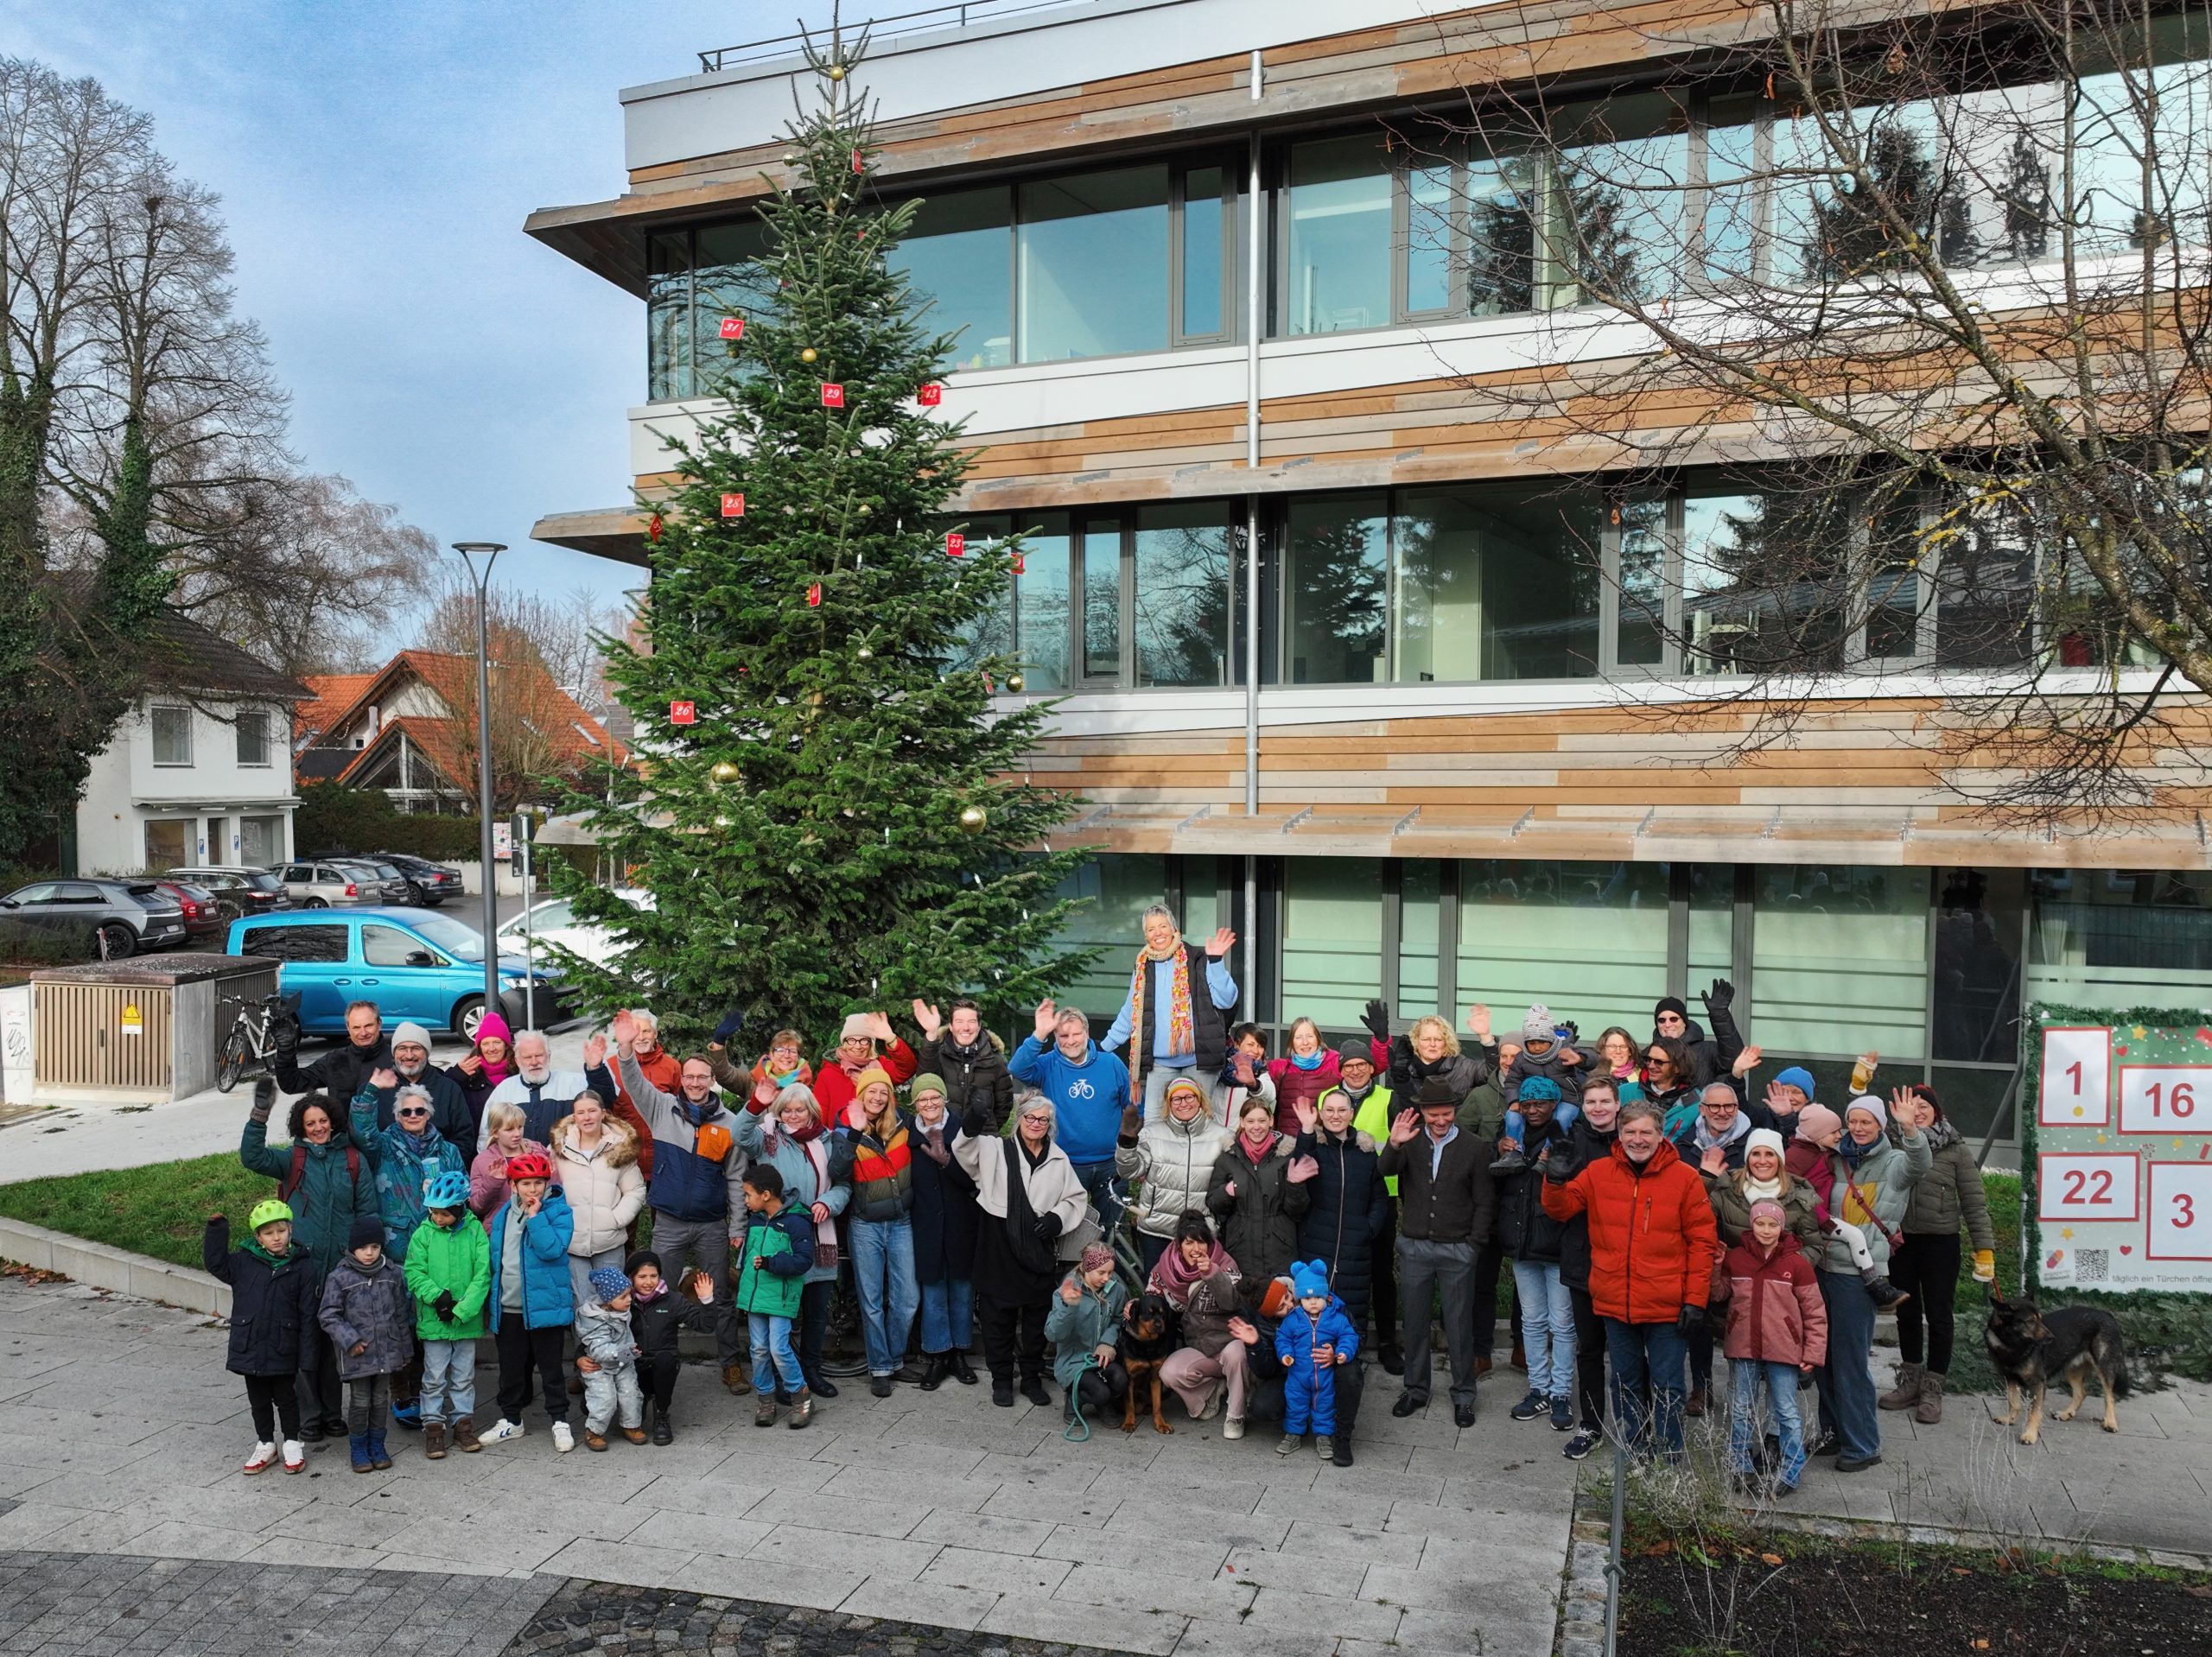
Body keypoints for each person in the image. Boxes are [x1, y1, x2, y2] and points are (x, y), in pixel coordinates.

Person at [1541, 1099, 1719, 1461]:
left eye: (1645, 1132)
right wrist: (1555, 1180)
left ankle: (1669, 1455)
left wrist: (1696, 1300)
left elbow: (1703, 1243)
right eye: (1630, 1132)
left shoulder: (1685, 1177)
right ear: (1619, 1135)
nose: (1638, 1139)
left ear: (1660, 1134)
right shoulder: (1598, 1171)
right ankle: (1636, 1448)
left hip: (1668, 1303)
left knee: (1668, 1385)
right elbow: (1560, 1209)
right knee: (1625, 1381)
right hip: (1614, 1300)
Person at [613, 1009, 751, 1393]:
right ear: (682, 1080)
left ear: (712, 1082)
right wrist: (625, 1047)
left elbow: (738, 1180)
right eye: (689, 1076)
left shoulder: (729, 1124)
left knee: (720, 1296)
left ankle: (730, 1364)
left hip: (711, 1225)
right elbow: (633, 1081)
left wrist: (737, 1226)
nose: (694, 1082)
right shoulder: (661, 1108)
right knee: (656, 1293)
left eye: (702, 1077)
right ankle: (649, 1358)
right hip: (669, 1221)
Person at [238, 1078, 369, 1443]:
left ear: (333, 1121)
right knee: (303, 1342)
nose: (318, 1128)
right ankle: (309, 1416)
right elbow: (251, 1157)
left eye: (323, 1121)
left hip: (342, 1268)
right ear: (301, 1127)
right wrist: (259, 1115)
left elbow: (367, 1211)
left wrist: (364, 1255)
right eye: (310, 1123)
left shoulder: (352, 1160)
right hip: (303, 1269)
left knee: (332, 1344)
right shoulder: (292, 1159)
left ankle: (332, 1413)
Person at [1809, 1095, 1930, 1472]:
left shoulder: (1894, 1163)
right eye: (1854, 1122)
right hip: (1823, 1268)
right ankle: (1832, 1433)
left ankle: (1862, 1445)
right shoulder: (1836, 1158)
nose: (1859, 1129)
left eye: (1868, 1122)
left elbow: (1920, 1163)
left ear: (1880, 1125)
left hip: (1857, 1276)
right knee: (1823, 1361)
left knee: (1849, 1362)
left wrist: (1910, 1127)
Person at [954, 1089, 1091, 1408]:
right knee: (997, 1319)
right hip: (997, 1243)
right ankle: (1001, 1380)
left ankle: (1030, 1378)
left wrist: (1057, 1220)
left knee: (1035, 1321)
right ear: (1020, 1119)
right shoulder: (994, 1149)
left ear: (1050, 1125)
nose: (1036, 1124)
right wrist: (973, 1120)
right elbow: (962, 1149)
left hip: (1037, 1245)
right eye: (1030, 1117)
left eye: (1043, 1120)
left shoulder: (1059, 1159)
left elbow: (1076, 1198)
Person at [1379, 1079, 1497, 1427]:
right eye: (1434, 1114)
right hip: (1415, 1246)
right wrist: (1394, 1144)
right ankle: (1415, 1389)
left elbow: (1484, 1200)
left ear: (1455, 1111)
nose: (1441, 1120)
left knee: (1460, 1327)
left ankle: (1464, 1395)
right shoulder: (1410, 1142)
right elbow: (1384, 1172)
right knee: (1414, 1323)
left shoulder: (1474, 1147)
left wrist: (1473, 1245)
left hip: (1458, 1249)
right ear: (1423, 1113)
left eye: (1447, 1113)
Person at [349, 1076, 465, 1427]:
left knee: (428, 1321)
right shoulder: (383, 1145)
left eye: (419, 1110)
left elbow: (461, 1195)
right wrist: (370, 1090)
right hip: (397, 1247)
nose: (413, 1115)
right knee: (398, 1321)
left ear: (429, 1113)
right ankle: (401, 1392)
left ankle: (427, 1391)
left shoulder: (447, 1151)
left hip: (438, 1249)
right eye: (405, 1111)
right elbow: (361, 1128)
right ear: (397, 1115)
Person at [1880, 1084, 1996, 1426]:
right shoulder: (1892, 1144)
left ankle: (1933, 1387)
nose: (1917, 1113)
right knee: (1907, 1312)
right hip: (1901, 1242)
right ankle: (1910, 1381)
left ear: (1936, 1111)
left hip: (1941, 1243)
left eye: (1924, 1108)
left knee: (1940, 1316)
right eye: (1911, 1108)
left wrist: (1984, 1249)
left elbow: (1974, 1203)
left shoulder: (1956, 1150)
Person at [1710, 1198, 1827, 1497]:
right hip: (1743, 1347)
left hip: (1783, 1349)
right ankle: (1740, 1466)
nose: (1766, 1230)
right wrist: (1715, 1267)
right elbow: (1719, 1294)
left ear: (1782, 1227)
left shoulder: (1797, 1264)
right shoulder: (1736, 1259)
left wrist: (1812, 1352)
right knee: (1741, 1410)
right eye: (1760, 1223)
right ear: (1752, 1225)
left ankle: (1791, 1469)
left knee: (1786, 1410)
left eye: (1772, 1224)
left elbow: (1815, 1312)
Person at [204, 1199, 317, 1476]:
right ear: (257, 1237)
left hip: (283, 1345)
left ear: (290, 1230)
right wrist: (217, 1230)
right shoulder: (243, 1262)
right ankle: (266, 1443)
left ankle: (292, 1441)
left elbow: (308, 1315)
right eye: (268, 1233)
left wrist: (307, 1356)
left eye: (281, 1231)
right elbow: (215, 1263)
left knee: (287, 1398)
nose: (276, 1238)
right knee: (258, 1400)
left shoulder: (303, 1266)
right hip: (251, 1344)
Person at [1491, 1076, 1577, 1432]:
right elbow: (1500, 1183)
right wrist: (1499, 1149)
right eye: (1527, 1104)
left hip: (1557, 1244)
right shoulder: (1512, 1136)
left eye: (1540, 1104)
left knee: (1562, 1323)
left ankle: (1561, 1393)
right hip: (1523, 1242)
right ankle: (1539, 1388)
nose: (1533, 1110)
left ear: (1554, 1104)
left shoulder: (1566, 1136)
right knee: (1532, 1321)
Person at [1100, 905, 1239, 1121]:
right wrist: (1103, 1048)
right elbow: (1131, 1012)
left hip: (1199, 1060)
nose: (1158, 933)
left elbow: (1226, 1000)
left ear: (1174, 928)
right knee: (1154, 1123)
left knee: (1197, 1124)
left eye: (1163, 926)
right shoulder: (1142, 967)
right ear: (1145, 935)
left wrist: (1216, 961)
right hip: (1160, 1063)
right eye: (1151, 929)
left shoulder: (1198, 958)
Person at [478, 1151, 577, 1452]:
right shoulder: (503, 1216)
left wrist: (535, 1217)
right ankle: (511, 1420)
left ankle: (560, 1421)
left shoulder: (559, 1212)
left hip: (543, 1307)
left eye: (538, 1183)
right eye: (525, 1183)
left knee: (550, 1369)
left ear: (547, 1184)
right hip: (508, 1307)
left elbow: (551, 1249)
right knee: (510, 1368)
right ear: (512, 1184)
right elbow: (497, 1259)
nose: (533, 1190)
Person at [1008, 1000, 1132, 1240]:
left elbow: (1134, 1107)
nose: (1071, 1040)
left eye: (1077, 1034)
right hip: (1066, 1164)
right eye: (1063, 1035)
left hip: (1110, 1163)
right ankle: (1068, 1277)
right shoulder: (1047, 1064)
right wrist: (1038, 1034)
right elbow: (1017, 1067)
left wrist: (1132, 1150)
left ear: (1087, 1033)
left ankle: (1112, 1276)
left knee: (1112, 1232)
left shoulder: (1111, 1063)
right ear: (1055, 1037)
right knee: (1067, 1233)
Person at [1287, 1088, 1386, 1378]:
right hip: (1316, 1244)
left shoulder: (1366, 1153)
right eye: (1329, 1110)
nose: (1335, 1116)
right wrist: (1306, 1130)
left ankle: (1349, 1368)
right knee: (1312, 1310)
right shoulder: (1315, 1146)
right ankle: (1310, 1371)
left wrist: (1369, 1228)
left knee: (1351, 1310)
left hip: (1356, 1247)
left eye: (1342, 1110)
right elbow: (1299, 1166)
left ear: (1352, 1114)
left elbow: (1379, 1198)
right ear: (1321, 1114)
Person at [1552, 1075, 1622, 1461]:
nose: (1597, 1108)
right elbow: (1558, 1203)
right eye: (1591, 1101)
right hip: (1583, 1260)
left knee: (1628, 1352)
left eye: (1604, 1101)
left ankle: (1635, 1423)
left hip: (1626, 1264)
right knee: (1590, 1349)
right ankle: (1592, 1424)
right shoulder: (1572, 1141)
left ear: (1616, 1104)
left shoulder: (1632, 1142)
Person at [844, 1065, 925, 1395]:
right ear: (861, 1096)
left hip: (901, 1221)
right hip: (865, 1225)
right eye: (871, 1091)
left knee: (907, 1299)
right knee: (872, 1301)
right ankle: (880, 1367)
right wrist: (853, 1132)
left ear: (890, 1096)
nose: (877, 1097)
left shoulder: (904, 1125)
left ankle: (893, 1360)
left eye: (883, 1091)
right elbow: (836, 1167)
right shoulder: (847, 1129)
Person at [1785, 1104, 1909, 1308]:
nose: (1839, 1135)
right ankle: (1875, 1284)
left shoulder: (1821, 1151)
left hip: (1819, 1216)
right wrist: (1820, 1217)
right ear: (1817, 1135)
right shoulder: (1799, 1156)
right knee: (1855, 1236)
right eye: (1833, 1132)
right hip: (1817, 1216)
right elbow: (1792, 1190)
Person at [318, 1215, 414, 1473]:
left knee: (380, 1400)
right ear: (352, 1248)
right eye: (363, 1248)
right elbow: (328, 1314)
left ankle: (377, 1444)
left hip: (387, 1351)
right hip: (358, 1354)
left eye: (375, 1247)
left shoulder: (391, 1274)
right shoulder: (339, 1277)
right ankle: (358, 1447)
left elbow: (400, 1315)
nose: (369, 1253)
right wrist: (351, 1341)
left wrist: (405, 1350)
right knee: (361, 1400)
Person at [404, 1170, 488, 1459]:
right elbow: (414, 1271)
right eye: (434, 1213)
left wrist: (462, 1309)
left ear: (459, 1209)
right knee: (435, 1376)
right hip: (434, 1320)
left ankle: (463, 1424)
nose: (438, 1219)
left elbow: (482, 1274)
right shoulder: (423, 1234)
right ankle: (433, 1427)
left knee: (464, 1376)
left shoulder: (474, 1231)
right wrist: (437, 1297)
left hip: (465, 1320)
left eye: (444, 1214)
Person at [1118, 1075, 1230, 1281]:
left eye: (1189, 1097)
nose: (1183, 1103)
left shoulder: (1222, 1136)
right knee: (1158, 1294)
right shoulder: (1151, 1134)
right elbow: (1129, 1172)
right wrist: (1127, 1144)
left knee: (1197, 1295)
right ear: (1169, 1104)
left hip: (1201, 1232)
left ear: (1200, 1100)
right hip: (1157, 1229)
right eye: (1176, 1099)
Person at [1148, 1210, 1249, 1438]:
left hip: (1227, 1343)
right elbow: (1151, 1297)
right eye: (1189, 1242)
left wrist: (1212, 1273)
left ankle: (1236, 1414)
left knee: (1236, 1353)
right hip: (1199, 1347)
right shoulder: (1166, 1268)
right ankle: (1211, 1391)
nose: (1196, 1249)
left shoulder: (1225, 1263)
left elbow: (1232, 1302)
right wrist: (1134, 1305)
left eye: (1202, 1242)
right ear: (1179, 1245)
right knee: (1169, 1372)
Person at [909, 1074, 980, 1388]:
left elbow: (974, 1179)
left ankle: (960, 1354)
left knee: (962, 1291)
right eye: (923, 1100)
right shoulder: (909, 1135)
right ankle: (937, 1354)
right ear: (915, 1105)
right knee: (933, 1291)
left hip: (960, 1222)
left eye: (934, 1098)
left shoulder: (961, 1129)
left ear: (943, 1099)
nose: (929, 1104)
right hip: (925, 1224)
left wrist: (947, 1160)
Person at [733, 1166, 817, 1428]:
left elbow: (804, 1261)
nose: (745, 1200)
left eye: (748, 1195)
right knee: (758, 1349)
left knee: (778, 1348)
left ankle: (800, 1394)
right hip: (755, 1298)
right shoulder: (756, 1220)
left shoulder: (796, 1222)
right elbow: (747, 1257)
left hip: (780, 1299)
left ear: (766, 1195)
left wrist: (771, 1263)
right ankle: (766, 1398)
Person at [549, 1092, 645, 1318]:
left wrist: (616, 1219)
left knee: (613, 1302)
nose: (587, 1117)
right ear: (574, 1117)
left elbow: (636, 1189)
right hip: (572, 1242)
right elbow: (548, 1189)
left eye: (592, 1111)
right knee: (582, 1304)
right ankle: (585, 1353)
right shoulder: (558, 1148)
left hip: (609, 1241)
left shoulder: (620, 1147)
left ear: (603, 1113)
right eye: (580, 1112)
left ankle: (613, 1353)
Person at [625, 1249, 735, 1442]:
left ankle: (661, 1414)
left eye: (653, 1276)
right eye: (642, 1277)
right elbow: (601, 1330)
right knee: (591, 1405)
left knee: (666, 1360)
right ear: (631, 1278)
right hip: (632, 1363)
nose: (648, 1282)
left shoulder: (673, 1300)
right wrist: (581, 1357)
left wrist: (707, 1300)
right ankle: (638, 1402)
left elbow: (705, 1326)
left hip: (662, 1362)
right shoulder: (623, 1301)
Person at [1339, 1038, 1402, 1374]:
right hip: (1343, 1193)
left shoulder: (1388, 1097)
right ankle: (1348, 1337)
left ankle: (1389, 1343)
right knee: (1347, 1270)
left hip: (1382, 1194)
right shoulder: (1327, 1098)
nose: (1356, 1070)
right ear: (1341, 1070)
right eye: (1349, 1066)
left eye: (1362, 1064)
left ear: (1371, 1068)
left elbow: (1398, 1142)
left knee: (1381, 1272)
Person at [1207, 1095, 1316, 1286]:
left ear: (1271, 1121)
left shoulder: (1285, 1156)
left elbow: (1297, 1210)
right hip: (1240, 1246)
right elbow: (1214, 1204)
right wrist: (1227, 1191)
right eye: (1250, 1121)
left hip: (1279, 1246)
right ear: (1242, 1122)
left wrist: (1295, 1184)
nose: (1256, 1127)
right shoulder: (1228, 1158)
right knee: (1245, 1304)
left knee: (1279, 1303)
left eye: (1262, 1120)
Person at [1275, 1257, 1358, 1462]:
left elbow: (1350, 1335)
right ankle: (1293, 1434)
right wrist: (1285, 1354)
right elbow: (1283, 1338)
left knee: (1325, 1405)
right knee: (1295, 1404)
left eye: (1318, 1298)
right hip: (1298, 1374)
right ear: (1299, 1299)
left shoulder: (1335, 1317)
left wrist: (1343, 1352)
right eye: (1306, 1299)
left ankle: (1323, 1436)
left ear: (1326, 1296)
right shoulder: (1293, 1319)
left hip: (1324, 1375)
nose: (1313, 1303)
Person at [479, 1029, 617, 1148]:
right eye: (527, 1057)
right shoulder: (504, 1091)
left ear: (549, 1056)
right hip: (519, 1174)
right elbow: (487, 1135)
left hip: (566, 1168)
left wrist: (595, 1069)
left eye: (539, 1055)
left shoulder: (572, 1082)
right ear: (517, 1060)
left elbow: (605, 1101)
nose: (534, 1062)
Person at [1045, 1241, 1128, 1426]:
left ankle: (1102, 1402)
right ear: (1087, 1268)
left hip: (1100, 1357)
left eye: (1110, 1272)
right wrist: (1068, 1308)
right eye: (1101, 1273)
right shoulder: (1067, 1290)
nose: (1107, 1278)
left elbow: (1117, 1320)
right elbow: (1053, 1334)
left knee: (1121, 1380)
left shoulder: (1116, 1290)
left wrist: (1107, 1343)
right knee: (1101, 1392)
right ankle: (1076, 1400)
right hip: (1073, 1360)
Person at [1496, 1005, 1585, 1171]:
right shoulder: (1521, 1059)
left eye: (1542, 1042)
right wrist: (1514, 1101)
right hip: (1531, 1102)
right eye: (1532, 1043)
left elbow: (1593, 1060)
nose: (1536, 1047)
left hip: (1566, 1099)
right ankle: (1514, 1153)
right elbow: (1512, 1082)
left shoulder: (1564, 1052)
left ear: (1551, 1040)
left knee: (1562, 1119)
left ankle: (1548, 1155)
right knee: (1511, 1116)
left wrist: (1580, 1058)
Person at [1364, 1001, 1497, 1106]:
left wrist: (1485, 1036)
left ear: (1447, 1042)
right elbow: (1393, 1106)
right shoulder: (1403, 1069)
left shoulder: (1464, 1067)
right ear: (1416, 1041)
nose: (1432, 1044)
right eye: (1426, 1039)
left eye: (1438, 1039)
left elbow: (1493, 1073)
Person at [913, 998, 1014, 1133]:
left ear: (979, 1025)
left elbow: (1004, 1106)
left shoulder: (995, 1060)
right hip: (945, 1139)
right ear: (951, 1026)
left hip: (982, 1142)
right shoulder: (939, 1055)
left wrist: (984, 1129)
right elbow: (925, 1081)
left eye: (971, 1022)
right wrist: (931, 1034)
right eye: (959, 1022)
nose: (966, 1027)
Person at [575, 1265, 645, 1451]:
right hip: (600, 1366)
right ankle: (594, 1431)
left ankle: (631, 1425)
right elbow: (599, 1351)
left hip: (623, 1362)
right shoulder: (594, 1320)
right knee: (604, 1398)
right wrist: (626, 1352)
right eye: (623, 1297)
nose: (629, 1299)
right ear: (607, 1300)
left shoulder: (621, 1310)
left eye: (629, 1294)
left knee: (631, 1393)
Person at [369, 1020, 472, 1146]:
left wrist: (445, 1163)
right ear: (394, 1053)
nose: (409, 1055)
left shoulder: (448, 1089)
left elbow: (464, 1138)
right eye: (402, 1048)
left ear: (427, 1053)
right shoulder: (377, 1089)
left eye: (416, 1048)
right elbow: (366, 1138)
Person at [274, 998, 391, 1103]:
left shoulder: (396, 1058)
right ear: (348, 1028)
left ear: (379, 1024)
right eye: (356, 1027)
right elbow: (292, 1084)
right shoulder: (334, 1060)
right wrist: (286, 1050)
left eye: (368, 1025)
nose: (363, 1033)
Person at [811, 1011, 918, 1121]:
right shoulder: (828, 1074)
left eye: (863, 1041)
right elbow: (820, 1114)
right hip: (845, 1135)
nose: (857, 1046)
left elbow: (907, 1068)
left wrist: (890, 1038)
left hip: (883, 1132)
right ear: (844, 1043)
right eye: (851, 1040)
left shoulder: (880, 1066)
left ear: (870, 1044)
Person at [1653, 982, 1747, 1090]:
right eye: (1662, 1020)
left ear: (1684, 1023)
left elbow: (1735, 1061)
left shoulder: (1707, 1050)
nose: (1668, 1025)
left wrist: (1720, 1015)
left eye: (1674, 1019)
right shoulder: (1650, 1055)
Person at [468, 1102, 552, 1218]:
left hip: (537, 1224)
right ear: (495, 1132)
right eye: (509, 1129)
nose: (517, 1134)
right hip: (500, 1229)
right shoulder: (482, 1161)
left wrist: (553, 1173)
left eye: (520, 1127)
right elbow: (477, 1207)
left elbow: (555, 1195)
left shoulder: (538, 1152)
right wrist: (493, 1182)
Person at [443, 1010, 514, 1147]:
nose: (491, 1048)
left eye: (497, 1042)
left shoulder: (519, 1072)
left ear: (506, 1046)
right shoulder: (469, 1074)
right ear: (479, 1047)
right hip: (479, 1149)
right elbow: (442, 1092)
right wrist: (456, 1075)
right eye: (485, 1043)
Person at [1266, 1017, 1339, 1137]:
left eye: (1310, 1036)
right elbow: (1252, 1069)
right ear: (1292, 1043)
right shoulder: (1281, 1068)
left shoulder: (1334, 1063)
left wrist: (1381, 1042)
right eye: (1298, 1037)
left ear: (1318, 1039)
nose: (1305, 1042)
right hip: (1288, 1145)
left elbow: (1369, 1068)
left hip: (1323, 1144)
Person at [1213, 1025, 1276, 1124]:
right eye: (1250, 1044)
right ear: (1237, 1045)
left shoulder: (1260, 1071)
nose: (1255, 1051)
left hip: (1243, 1136)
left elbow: (1270, 1095)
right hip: (1215, 1135)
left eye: (1260, 1046)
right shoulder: (1219, 1066)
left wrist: (1254, 1084)